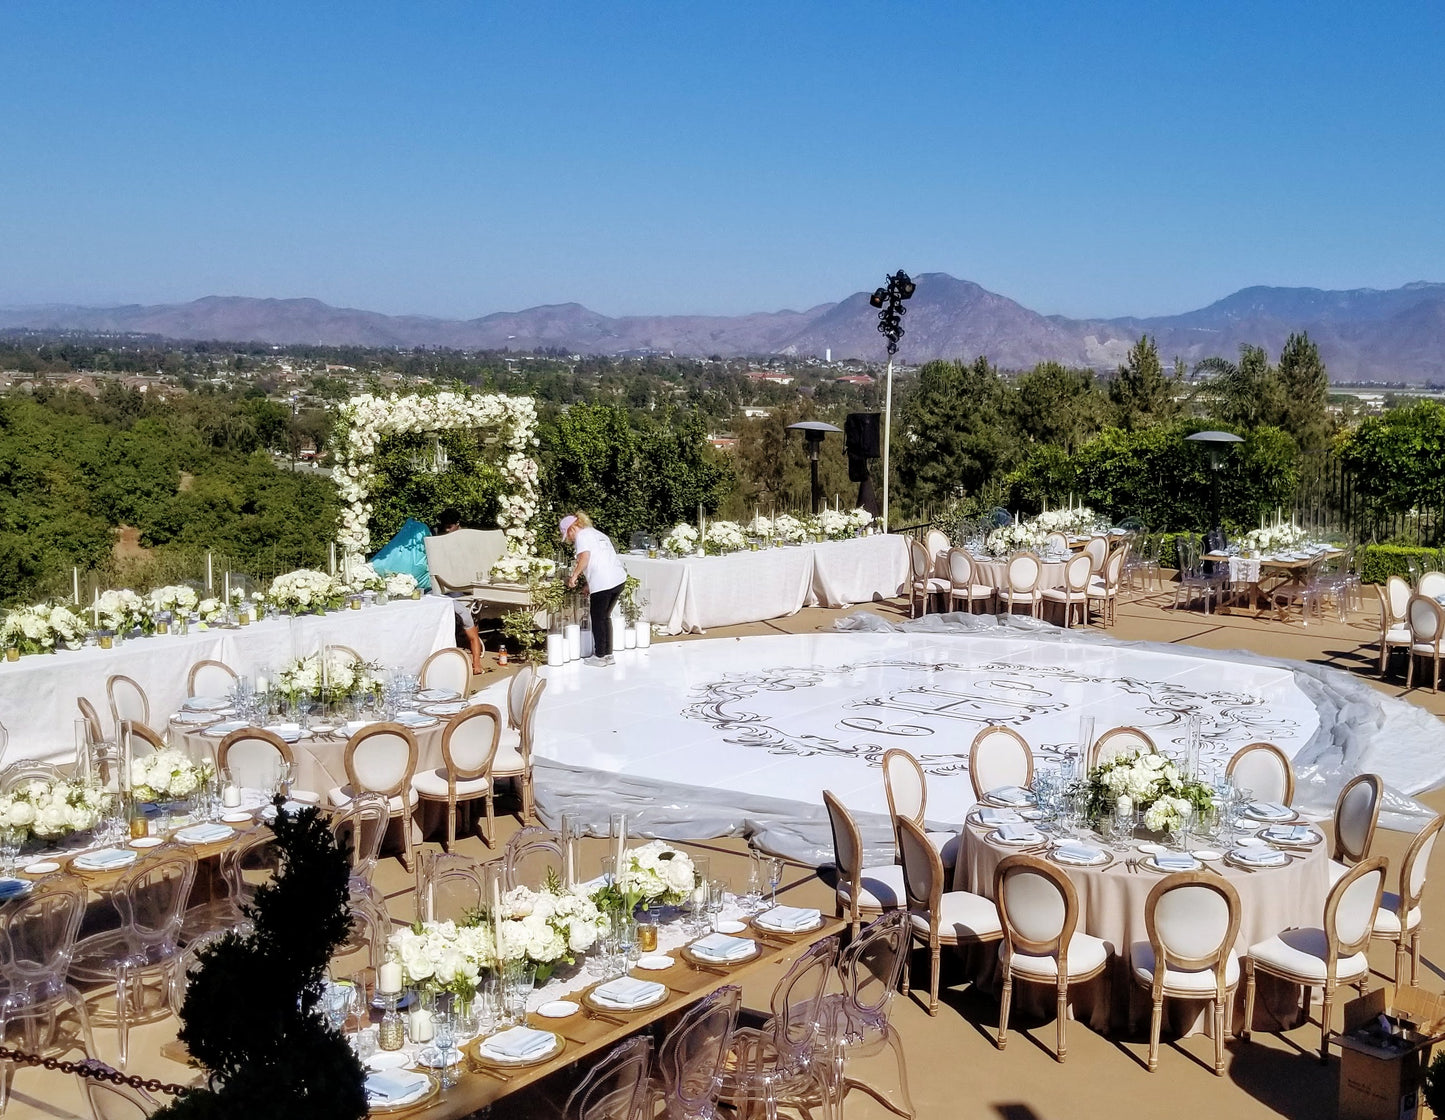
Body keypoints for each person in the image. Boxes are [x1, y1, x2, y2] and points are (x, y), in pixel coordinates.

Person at [562, 512, 625, 666]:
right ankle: (608, 654)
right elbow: (601, 561)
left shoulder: (581, 537)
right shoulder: (597, 534)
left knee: (597, 617)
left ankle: (599, 656)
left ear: (571, 529)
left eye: (567, 535)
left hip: (604, 583)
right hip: (618, 579)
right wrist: (588, 585)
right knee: (605, 616)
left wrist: (574, 576)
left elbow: (585, 558)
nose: (569, 539)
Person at [436, 507, 485, 675]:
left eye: (450, 527)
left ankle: (476, 661)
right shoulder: (440, 539)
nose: (446, 530)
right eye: (444, 527)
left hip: (461, 587)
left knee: (464, 613)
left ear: (458, 525)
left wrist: (477, 665)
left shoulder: (466, 539)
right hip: (443, 587)